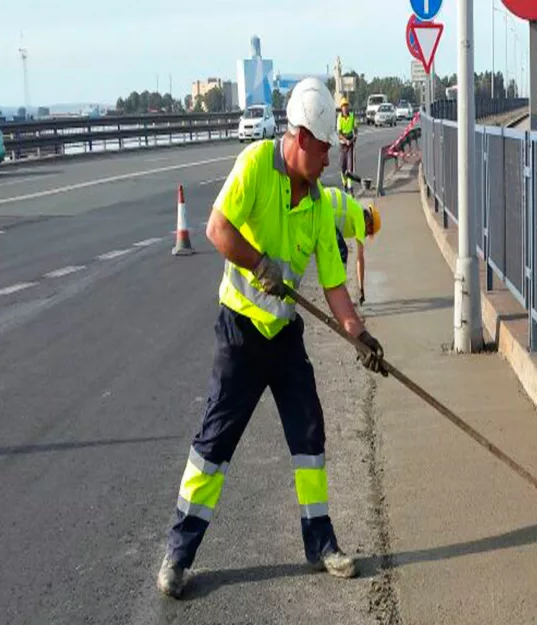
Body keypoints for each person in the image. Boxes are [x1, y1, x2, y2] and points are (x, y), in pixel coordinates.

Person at [156, 78, 387, 598]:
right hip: (239, 334)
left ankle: (320, 543)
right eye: (323, 149)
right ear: (300, 138)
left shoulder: (320, 206)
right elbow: (217, 228)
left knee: (309, 433)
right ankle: (178, 553)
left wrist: (360, 337)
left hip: (283, 336)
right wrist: (258, 262)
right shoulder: (257, 164)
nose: (328, 159)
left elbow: (335, 289)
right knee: (214, 445)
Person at [324, 186, 381, 306]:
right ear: (369, 223)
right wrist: (361, 289)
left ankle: (334, 291)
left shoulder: (355, 209)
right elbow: (360, 258)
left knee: (334, 252)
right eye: (368, 232)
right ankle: (340, 298)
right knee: (342, 252)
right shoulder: (360, 218)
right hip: (324, 210)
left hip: (324, 206)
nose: (366, 235)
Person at [336, 96, 357, 194]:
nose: (345, 108)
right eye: (343, 106)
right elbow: (339, 133)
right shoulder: (339, 118)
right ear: (341, 108)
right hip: (343, 145)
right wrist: (345, 140)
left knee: (350, 167)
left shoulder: (352, 116)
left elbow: (355, 128)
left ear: (348, 107)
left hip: (350, 144)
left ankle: (350, 187)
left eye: (346, 106)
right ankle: (344, 184)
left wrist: (354, 137)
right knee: (342, 167)